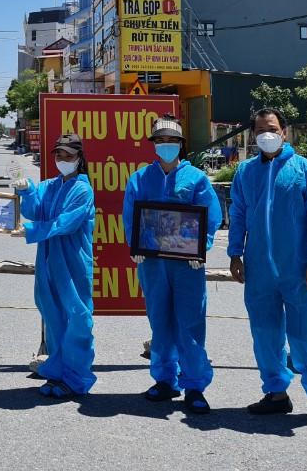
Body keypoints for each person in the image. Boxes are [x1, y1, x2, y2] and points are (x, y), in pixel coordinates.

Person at [228, 107, 307, 430]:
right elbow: (238, 214)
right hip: (259, 269)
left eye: (272, 129)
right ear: (253, 135)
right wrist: (235, 253)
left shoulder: (304, 170)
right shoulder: (245, 172)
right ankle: (276, 393)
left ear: (285, 133)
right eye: (261, 130)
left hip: (298, 268)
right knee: (265, 333)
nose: (267, 135)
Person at [122, 117, 222, 414]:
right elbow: (130, 216)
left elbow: (211, 217)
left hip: (187, 265)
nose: (166, 146)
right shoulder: (140, 179)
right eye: (161, 141)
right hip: (152, 263)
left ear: (181, 144)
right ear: (154, 144)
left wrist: (201, 247)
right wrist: (135, 245)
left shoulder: (197, 178)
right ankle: (165, 380)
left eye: (172, 141)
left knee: (190, 323)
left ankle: (194, 386)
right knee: (160, 321)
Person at [12, 132, 96, 398]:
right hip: (48, 260)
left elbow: (66, 223)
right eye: (59, 154)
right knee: (53, 316)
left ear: (79, 157)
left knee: (77, 318)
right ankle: (58, 372)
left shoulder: (82, 190)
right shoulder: (50, 185)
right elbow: (33, 210)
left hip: (73, 263)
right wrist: (27, 191)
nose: (62, 159)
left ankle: (76, 377)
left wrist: (31, 230)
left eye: (68, 155)